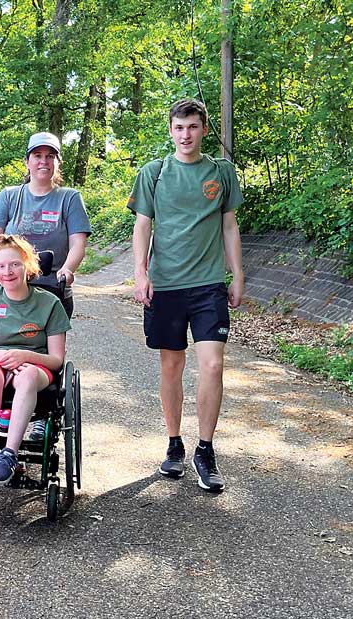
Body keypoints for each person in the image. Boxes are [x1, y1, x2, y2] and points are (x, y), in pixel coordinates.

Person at [128, 98, 244, 493]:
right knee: (171, 366)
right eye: (179, 128)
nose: (185, 135)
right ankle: (174, 444)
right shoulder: (154, 173)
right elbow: (143, 227)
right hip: (166, 285)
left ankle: (205, 450)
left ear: (204, 130)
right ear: (171, 130)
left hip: (208, 284)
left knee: (212, 365)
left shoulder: (221, 173)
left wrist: (238, 274)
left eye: (192, 127)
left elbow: (229, 225)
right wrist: (140, 273)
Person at [0, 132, 91, 443]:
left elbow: (77, 241)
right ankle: (0, 408)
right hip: (10, 279)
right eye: (37, 156)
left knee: (41, 350)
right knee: (0, 341)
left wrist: (68, 269)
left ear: (56, 162)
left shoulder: (69, 198)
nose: (43, 161)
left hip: (50, 284)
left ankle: (41, 415)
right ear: (27, 162)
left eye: (49, 156)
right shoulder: (10, 196)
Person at [0, 235, 71, 483]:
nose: (7, 271)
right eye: (0, 266)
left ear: (28, 265)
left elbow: (56, 359)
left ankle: (10, 454)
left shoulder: (50, 303)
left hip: (35, 363)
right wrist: (3, 358)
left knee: (29, 375)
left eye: (14, 264)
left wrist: (25, 356)